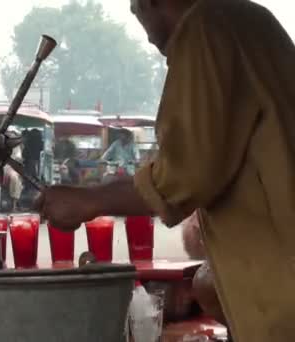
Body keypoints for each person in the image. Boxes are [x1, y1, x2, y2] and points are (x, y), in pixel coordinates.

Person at [35, 0, 295, 340]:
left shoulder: (205, 26)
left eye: (135, 11)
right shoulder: (251, 20)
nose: (146, 37)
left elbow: (184, 175)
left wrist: (90, 201)